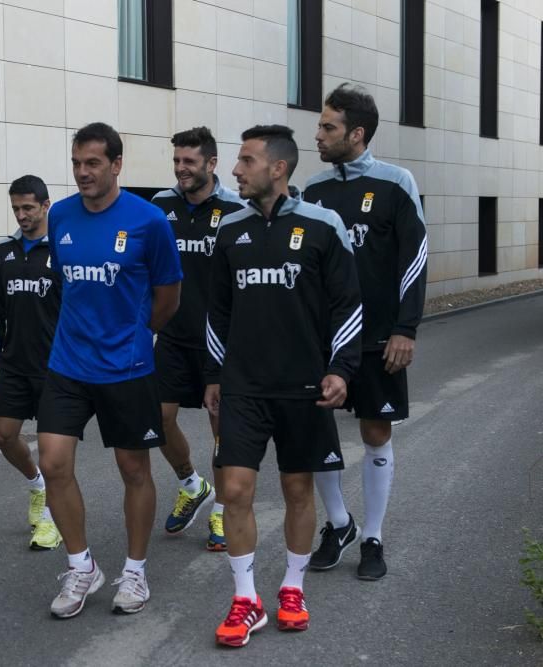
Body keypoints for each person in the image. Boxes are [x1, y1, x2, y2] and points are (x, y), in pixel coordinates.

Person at [205, 125, 361, 647]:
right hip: (245, 387)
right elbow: (217, 311)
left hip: (304, 387)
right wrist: (214, 374)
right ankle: (246, 599)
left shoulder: (323, 225)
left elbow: (348, 304)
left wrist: (340, 369)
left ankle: (292, 587)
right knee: (235, 490)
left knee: (298, 489)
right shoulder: (229, 230)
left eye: (246, 160)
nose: (235, 170)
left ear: (278, 168)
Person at [37, 122, 183, 618]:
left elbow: (168, 297)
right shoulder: (59, 216)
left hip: (127, 366)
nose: (82, 173)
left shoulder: (149, 221)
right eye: (77, 163)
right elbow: (66, 283)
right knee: (53, 463)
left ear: (116, 164)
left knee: (133, 468)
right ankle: (82, 567)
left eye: (92, 163)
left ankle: (135, 573)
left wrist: (137, 335)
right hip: (68, 363)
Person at [303, 83, 428, 580]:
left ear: (356, 133)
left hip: (379, 338)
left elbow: (414, 258)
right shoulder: (312, 190)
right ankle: (339, 523)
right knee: (315, 433)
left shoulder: (397, 183)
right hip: (322, 342)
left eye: (327, 127)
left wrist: (406, 328)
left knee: (376, 433)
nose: (318, 134)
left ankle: (372, 537)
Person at [150, 126, 245, 549]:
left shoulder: (236, 209)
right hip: (172, 336)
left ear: (211, 163)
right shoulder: (161, 206)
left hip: (221, 343)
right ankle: (192, 485)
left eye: (189, 161)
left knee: (221, 427)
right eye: (176, 161)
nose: (181, 169)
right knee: (158, 419)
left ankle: (222, 510)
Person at [0, 175, 63, 551]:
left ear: (45, 205)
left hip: (56, 367)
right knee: (5, 436)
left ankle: (52, 520)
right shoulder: (4, 252)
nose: (22, 215)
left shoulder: (62, 249)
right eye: (16, 209)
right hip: (14, 363)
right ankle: (36, 486)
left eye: (28, 208)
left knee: (51, 448)